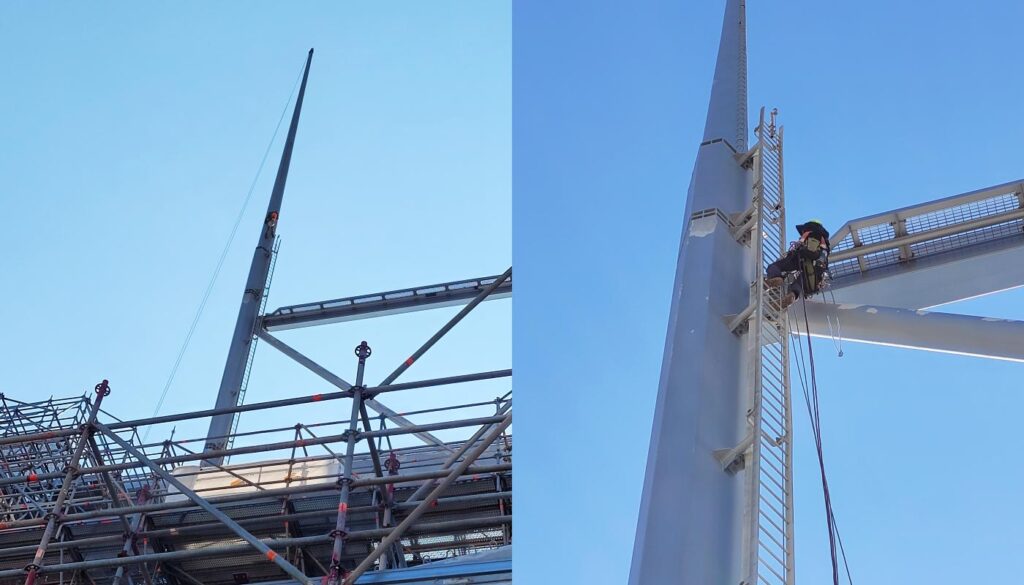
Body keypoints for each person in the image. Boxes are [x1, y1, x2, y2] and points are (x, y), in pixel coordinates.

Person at [765, 220, 830, 309]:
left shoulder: (808, 235)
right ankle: (793, 295)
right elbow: (823, 258)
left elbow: (799, 245)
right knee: (801, 282)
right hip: (817, 268)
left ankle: (776, 278)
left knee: (775, 266)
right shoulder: (824, 243)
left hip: (799, 259)